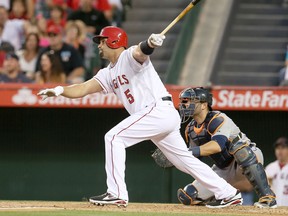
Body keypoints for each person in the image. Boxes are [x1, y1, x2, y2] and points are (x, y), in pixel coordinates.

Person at [37, 26, 242, 208]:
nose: (99, 45)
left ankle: (117, 193)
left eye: (102, 41)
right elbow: (82, 88)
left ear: (114, 41)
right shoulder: (107, 73)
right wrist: (58, 90)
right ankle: (229, 193)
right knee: (184, 161)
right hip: (158, 116)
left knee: (114, 137)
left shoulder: (127, 56)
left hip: (157, 109)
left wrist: (150, 43)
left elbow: (141, 51)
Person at [172, 87, 277, 208]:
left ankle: (268, 198)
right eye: (184, 101)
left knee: (241, 150)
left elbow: (217, 146)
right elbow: (195, 161)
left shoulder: (218, 119)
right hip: (223, 168)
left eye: (190, 101)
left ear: (203, 105)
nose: (185, 104)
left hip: (246, 159)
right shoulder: (190, 129)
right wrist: (177, 158)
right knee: (189, 195)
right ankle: (223, 202)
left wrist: (188, 152)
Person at [265, 137, 288, 206]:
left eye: (283, 148)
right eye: (278, 148)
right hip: (274, 208)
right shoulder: (270, 168)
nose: (280, 151)